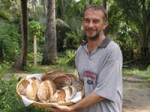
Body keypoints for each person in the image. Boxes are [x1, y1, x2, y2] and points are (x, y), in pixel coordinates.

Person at [45, 4, 123, 112]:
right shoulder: (81, 51)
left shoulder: (112, 50)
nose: (90, 25)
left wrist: (71, 108)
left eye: (95, 21)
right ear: (83, 22)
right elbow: (82, 85)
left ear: (104, 24)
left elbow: (102, 93)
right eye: (87, 20)